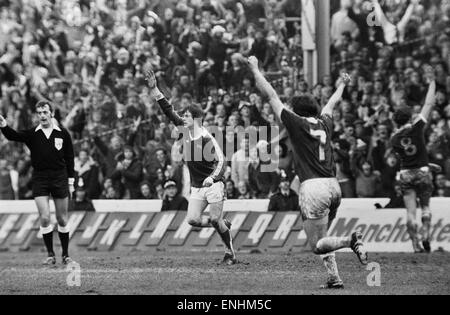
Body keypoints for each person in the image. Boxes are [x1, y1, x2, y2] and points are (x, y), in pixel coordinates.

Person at [248, 56, 367, 289]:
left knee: (316, 244)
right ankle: (334, 278)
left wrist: (255, 69)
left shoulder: (296, 122)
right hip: (334, 186)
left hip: (313, 188)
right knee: (324, 236)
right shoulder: (324, 122)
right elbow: (332, 103)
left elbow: (271, 94)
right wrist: (342, 84)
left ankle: (350, 240)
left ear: (297, 110)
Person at [144, 69, 236, 265]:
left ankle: (230, 253)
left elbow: (222, 161)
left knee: (213, 219)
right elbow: (169, 111)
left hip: (213, 185)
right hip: (197, 186)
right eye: (183, 116)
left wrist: (213, 178)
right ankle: (223, 224)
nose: (182, 118)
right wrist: (155, 90)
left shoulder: (206, 138)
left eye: (186, 116)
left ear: (195, 119)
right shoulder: (185, 131)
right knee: (193, 220)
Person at [0, 101, 75, 265]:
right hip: (40, 178)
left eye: (45, 112)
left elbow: (70, 158)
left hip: (59, 177)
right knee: (45, 217)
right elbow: (13, 135)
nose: (42, 115)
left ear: (51, 113)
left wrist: (71, 181)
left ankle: (66, 254)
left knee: (62, 219)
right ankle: (50, 254)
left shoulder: (63, 133)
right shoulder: (33, 134)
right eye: (39, 112)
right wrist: (4, 125)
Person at [390, 70, 437, 253]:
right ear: (410, 117)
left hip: (406, 174)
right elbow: (429, 103)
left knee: (410, 211)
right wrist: (431, 82)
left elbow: (406, 157)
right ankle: (426, 234)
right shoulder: (417, 127)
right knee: (425, 206)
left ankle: (415, 245)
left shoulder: (393, 139)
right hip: (423, 172)